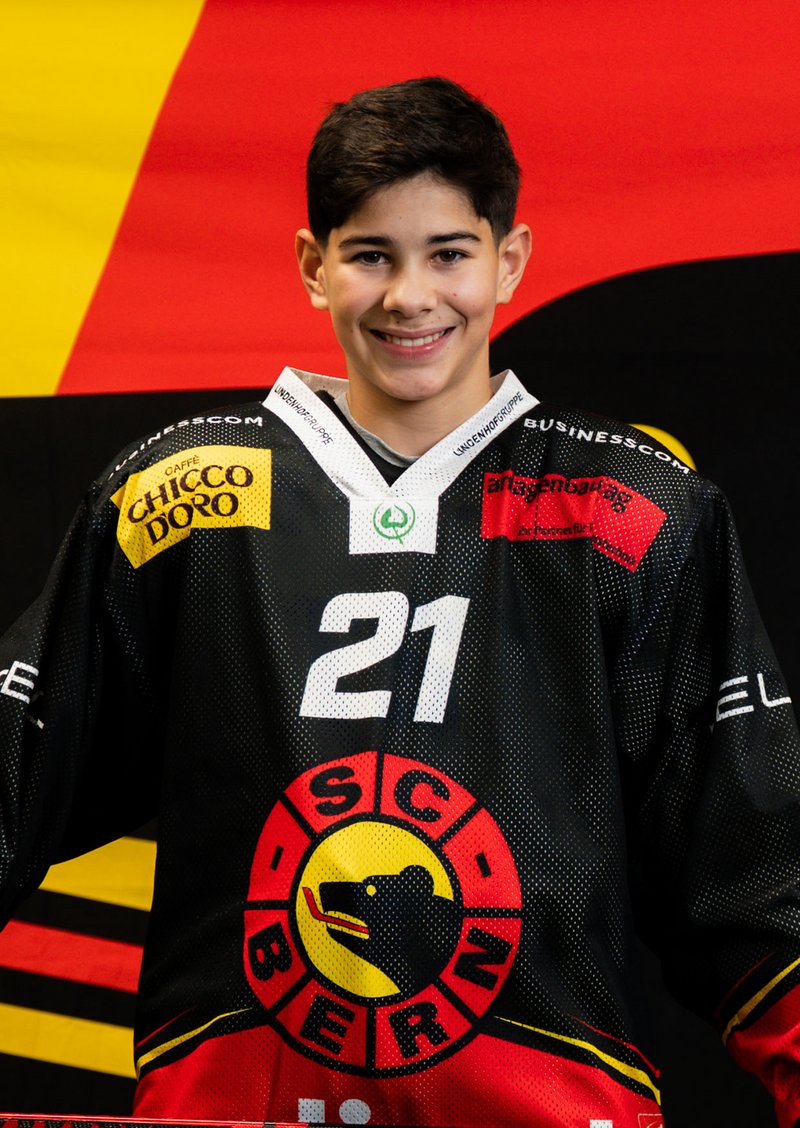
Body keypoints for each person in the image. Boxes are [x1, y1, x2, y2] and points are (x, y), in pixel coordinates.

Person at [1, 75, 799, 1127]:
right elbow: (15, 771)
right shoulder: (175, 499)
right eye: (371, 255)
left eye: (448, 254)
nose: (409, 297)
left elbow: (752, 868)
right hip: (228, 1108)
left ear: (509, 260)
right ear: (312, 265)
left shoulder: (635, 511)